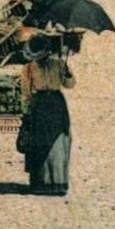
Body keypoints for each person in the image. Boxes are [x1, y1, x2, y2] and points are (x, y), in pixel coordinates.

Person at [17, 34, 74, 195]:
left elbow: (69, 85)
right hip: (39, 105)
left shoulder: (59, 64)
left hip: (56, 105)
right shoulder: (28, 68)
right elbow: (26, 92)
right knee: (39, 144)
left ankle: (58, 183)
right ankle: (40, 183)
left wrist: (68, 74)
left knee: (58, 142)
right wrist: (26, 111)